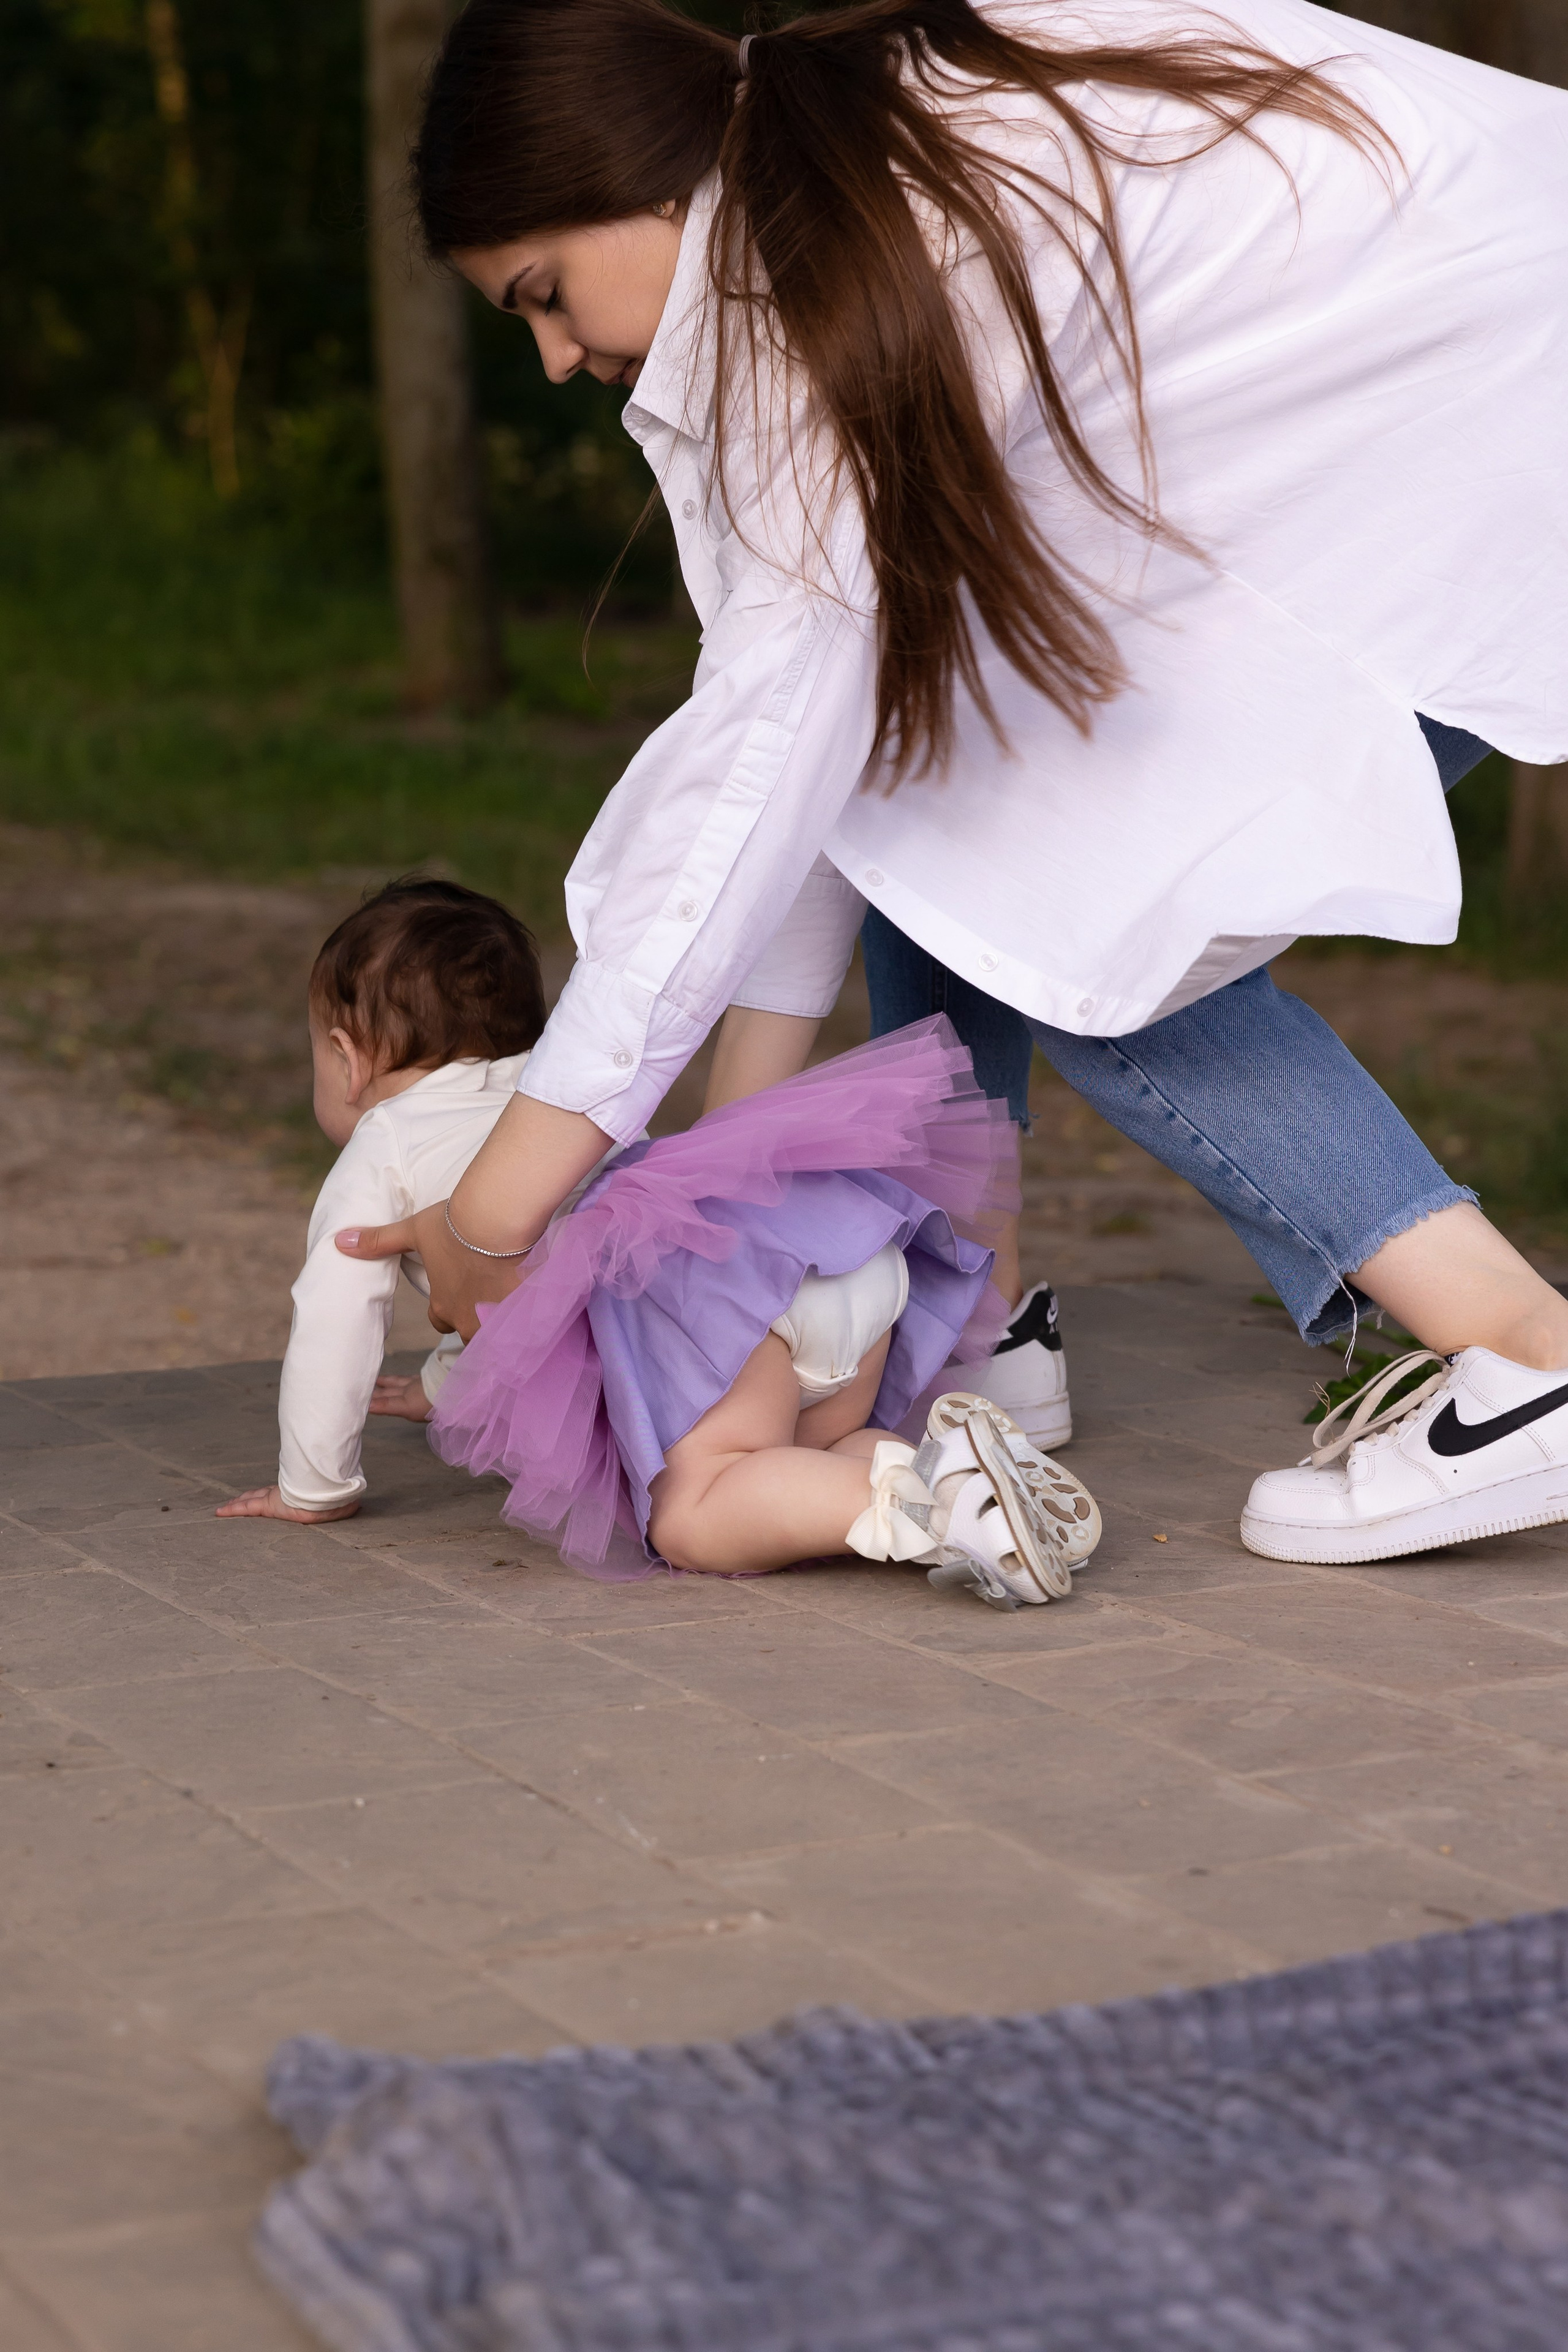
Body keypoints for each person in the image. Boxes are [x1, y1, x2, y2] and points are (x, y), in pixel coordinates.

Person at [338, 0, 1568, 1570]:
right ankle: (969, 1338)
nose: (557, 357)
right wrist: (738, 1215)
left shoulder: (798, 298)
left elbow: (746, 793)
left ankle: (1523, 1355)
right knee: (962, 816)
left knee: (1089, 911)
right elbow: (828, 793)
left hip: (1467, 431)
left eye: (543, 293)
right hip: (1432, 407)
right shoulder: (842, 186)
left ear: (642, 188)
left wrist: (497, 1217)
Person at [216, 878, 1101, 1604]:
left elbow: (336, 1318)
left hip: (722, 1310)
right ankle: (971, 1482)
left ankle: (940, 1509)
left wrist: (315, 1484)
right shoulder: (555, 1097)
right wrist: (448, 1390)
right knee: (812, 1453)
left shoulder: (387, 1142)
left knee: (695, 1506)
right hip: (831, 1266)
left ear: (346, 1056)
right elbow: (529, 1301)